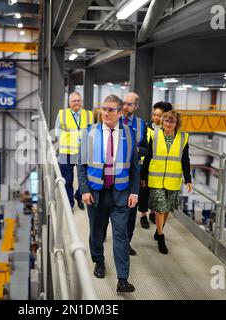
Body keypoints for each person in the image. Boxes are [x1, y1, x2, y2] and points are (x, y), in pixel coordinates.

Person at [77, 94, 140, 293]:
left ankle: (123, 278)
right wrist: (84, 190)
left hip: (120, 193)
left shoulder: (129, 134)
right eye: (104, 108)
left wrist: (135, 193)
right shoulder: (90, 132)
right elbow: (81, 165)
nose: (105, 113)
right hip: (96, 193)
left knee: (120, 235)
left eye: (111, 110)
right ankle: (99, 261)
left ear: (121, 113)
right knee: (96, 230)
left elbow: (135, 168)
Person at [102, 92, 148, 256]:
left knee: (129, 212)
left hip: (130, 175)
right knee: (106, 208)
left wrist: (134, 150)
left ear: (135, 106)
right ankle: (102, 234)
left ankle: (126, 242)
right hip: (109, 174)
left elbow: (146, 149)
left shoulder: (142, 125)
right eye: (124, 103)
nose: (126, 106)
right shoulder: (112, 119)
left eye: (129, 104)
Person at [142, 110, 193, 254]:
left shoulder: (183, 138)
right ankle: (161, 236)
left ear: (177, 124)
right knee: (160, 208)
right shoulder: (155, 135)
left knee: (167, 209)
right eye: (166, 121)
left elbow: (185, 160)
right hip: (156, 179)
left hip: (173, 179)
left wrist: (188, 179)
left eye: (171, 121)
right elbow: (148, 157)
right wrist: (143, 177)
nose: (168, 124)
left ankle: (159, 229)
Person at [55, 91, 93, 210]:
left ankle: (78, 195)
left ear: (81, 102)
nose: (76, 103)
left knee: (85, 178)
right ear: (69, 103)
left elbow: (91, 131)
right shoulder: (62, 114)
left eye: (78, 100)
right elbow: (57, 132)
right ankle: (69, 205)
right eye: (74, 101)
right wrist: (69, 138)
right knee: (68, 180)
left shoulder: (89, 114)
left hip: (83, 152)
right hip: (66, 152)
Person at [138, 101, 173, 229]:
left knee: (156, 192)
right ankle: (143, 215)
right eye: (154, 115)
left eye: (159, 115)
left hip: (160, 168)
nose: (155, 118)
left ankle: (153, 212)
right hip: (145, 165)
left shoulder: (168, 130)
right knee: (144, 191)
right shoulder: (146, 128)